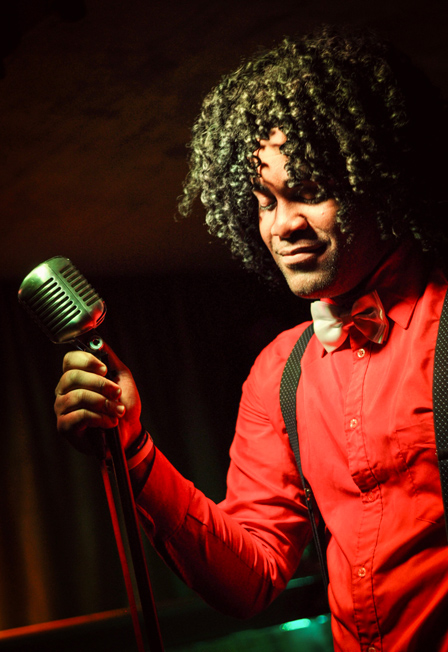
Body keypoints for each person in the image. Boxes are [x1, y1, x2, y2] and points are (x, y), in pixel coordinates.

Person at [54, 26, 448, 651]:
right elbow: (250, 579)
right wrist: (133, 452)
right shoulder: (279, 372)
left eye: (309, 192)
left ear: (380, 179)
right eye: (265, 202)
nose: (283, 225)